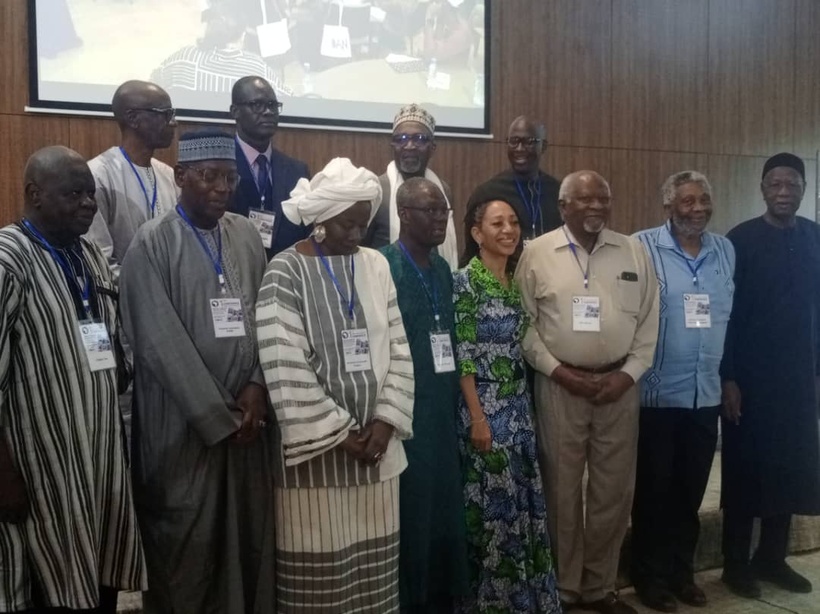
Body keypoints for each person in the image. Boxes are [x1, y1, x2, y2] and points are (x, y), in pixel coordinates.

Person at [119, 130, 274, 614]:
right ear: (181, 176)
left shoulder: (245, 234)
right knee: (187, 547)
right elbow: (158, 343)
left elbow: (266, 316)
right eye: (209, 176)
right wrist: (218, 416)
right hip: (184, 429)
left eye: (229, 178)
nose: (222, 188)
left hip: (247, 424)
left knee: (246, 539)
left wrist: (255, 387)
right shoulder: (152, 243)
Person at [256, 158, 415, 613]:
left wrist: (385, 423)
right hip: (317, 459)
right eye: (347, 224)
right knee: (320, 579)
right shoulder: (284, 271)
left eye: (363, 224)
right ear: (321, 220)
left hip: (377, 457)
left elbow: (400, 348)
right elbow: (283, 362)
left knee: (374, 575)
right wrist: (342, 433)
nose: (356, 234)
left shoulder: (376, 266)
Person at [0, 146, 145, 613]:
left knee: (101, 570)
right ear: (34, 195)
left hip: (100, 453)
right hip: (39, 464)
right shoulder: (8, 259)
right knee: (49, 581)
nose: (88, 203)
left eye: (91, 194)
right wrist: (3, 475)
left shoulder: (89, 255)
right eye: (74, 194)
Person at [516, 171, 659, 614]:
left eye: (603, 197)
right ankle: (563, 588)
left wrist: (630, 372)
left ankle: (600, 587)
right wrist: (558, 371)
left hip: (620, 386)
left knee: (612, 492)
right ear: (564, 207)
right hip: (561, 384)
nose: (596, 205)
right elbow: (522, 324)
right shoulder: (537, 253)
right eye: (585, 199)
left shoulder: (633, 250)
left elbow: (651, 320)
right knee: (560, 489)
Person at [630, 171, 735, 612]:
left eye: (704, 199)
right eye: (688, 201)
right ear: (668, 206)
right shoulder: (642, 247)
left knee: (690, 494)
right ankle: (648, 578)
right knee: (653, 492)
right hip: (656, 394)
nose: (697, 208)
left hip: (704, 393)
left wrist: (729, 379)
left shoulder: (724, 250)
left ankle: (681, 573)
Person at [453, 194, 562, 613]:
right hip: (484, 411)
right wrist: (478, 419)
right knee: (495, 516)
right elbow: (463, 356)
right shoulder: (466, 281)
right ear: (477, 233)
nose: (508, 231)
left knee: (523, 510)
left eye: (513, 222)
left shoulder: (513, 281)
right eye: (497, 224)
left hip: (517, 410)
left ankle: (527, 602)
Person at [719, 152, 820, 598]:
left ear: (803, 189)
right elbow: (727, 315)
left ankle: (772, 558)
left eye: (792, 184)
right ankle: (734, 563)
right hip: (750, 380)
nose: (784, 192)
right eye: (775, 184)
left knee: (789, 469)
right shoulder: (740, 239)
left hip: (798, 380)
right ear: (762, 189)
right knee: (745, 471)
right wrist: (729, 377)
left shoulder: (816, 237)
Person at [380, 177, 470, 613]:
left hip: (442, 410)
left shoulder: (443, 271)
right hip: (401, 412)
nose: (440, 219)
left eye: (444, 212)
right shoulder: (382, 265)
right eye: (430, 211)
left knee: (442, 511)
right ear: (403, 214)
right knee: (410, 513)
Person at [85, 80, 178, 279]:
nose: (173, 122)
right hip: (124, 300)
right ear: (133, 118)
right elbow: (99, 259)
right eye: (165, 114)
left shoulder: (168, 175)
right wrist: (143, 292)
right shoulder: (98, 175)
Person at [362, 103, 459, 269]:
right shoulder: (377, 190)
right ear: (392, 146)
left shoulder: (442, 191)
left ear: (432, 147)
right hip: (388, 285)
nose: (409, 146)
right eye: (401, 139)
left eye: (419, 139)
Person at [230, 75, 311, 258]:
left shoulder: (297, 172)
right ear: (235, 111)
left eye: (273, 105)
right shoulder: (221, 169)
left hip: (285, 278)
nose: (267, 112)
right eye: (257, 105)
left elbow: (305, 235)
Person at [151, 3, 288, 95]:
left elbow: (152, 88)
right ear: (243, 34)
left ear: (208, 26)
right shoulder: (258, 70)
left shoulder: (182, 59)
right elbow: (287, 100)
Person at [467, 116, 561, 247]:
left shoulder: (558, 192)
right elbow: (471, 253)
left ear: (543, 146)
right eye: (514, 141)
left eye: (528, 142)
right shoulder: (487, 193)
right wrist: (490, 269)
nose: (520, 148)